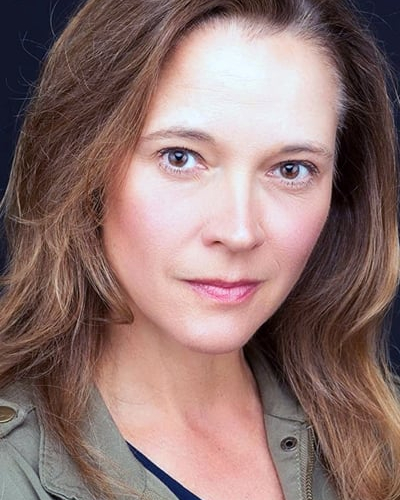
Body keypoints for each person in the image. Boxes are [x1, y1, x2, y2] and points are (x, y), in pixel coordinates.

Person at [0, 0, 399, 499]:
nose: (239, 231)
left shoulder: (385, 436)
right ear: (83, 168)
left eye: (291, 169)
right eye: (181, 158)